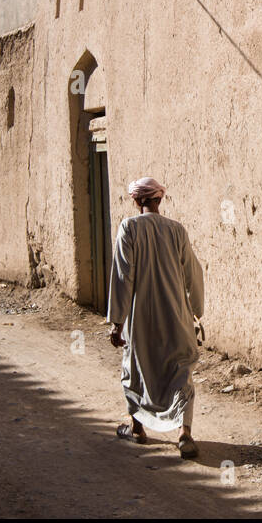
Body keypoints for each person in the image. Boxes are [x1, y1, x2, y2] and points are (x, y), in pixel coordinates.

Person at [108, 176, 204, 458]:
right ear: (159, 199)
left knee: (137, 369)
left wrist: (117, 321)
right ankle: (184, 434)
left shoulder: (129, 228)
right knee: (180, 370)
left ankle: (137, 428)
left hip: (142, 317)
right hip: (176, 315)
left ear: (137, 201)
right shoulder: (177, 230)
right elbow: (193, 273)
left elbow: (124, 275)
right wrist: (197, 312)